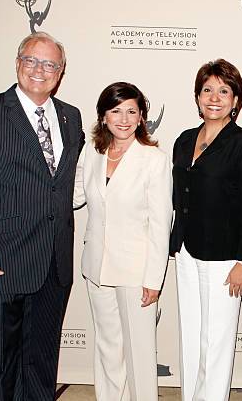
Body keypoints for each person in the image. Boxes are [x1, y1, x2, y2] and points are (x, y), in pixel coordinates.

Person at [0, 32, 84, 400]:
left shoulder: (71, 118)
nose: (40, 70)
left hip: (54, 265)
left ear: (60, 72)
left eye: (50, 64)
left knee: (41, 362)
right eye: (32, 60)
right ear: (18, 63)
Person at [170, 59, 242, 401]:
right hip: (185, 252)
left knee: (216, 343)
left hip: (225, 258)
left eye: (224, 91)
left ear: (236, 100)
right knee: (192, 337)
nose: (214, 97)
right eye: (207, 89)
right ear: (197, 97)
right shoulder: (183, 140)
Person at [73, 82, 172, 401]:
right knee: (107, 348)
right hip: (96, 268)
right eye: (116, 111)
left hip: (136, 271)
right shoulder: (92, 151)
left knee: (140, 354)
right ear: (103, 117)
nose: (124, 118)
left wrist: (153, 279)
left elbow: (160, 223)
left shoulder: (154, 159)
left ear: (142, 116)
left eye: (132, 111)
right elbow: (72, 194)